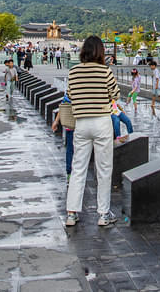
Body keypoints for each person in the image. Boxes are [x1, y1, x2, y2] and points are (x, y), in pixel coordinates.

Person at [64, 35, 119, 228]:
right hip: (102, 122)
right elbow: (116, 94)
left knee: (78, 167)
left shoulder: (73, 72)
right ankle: (103, 213)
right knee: (103, 169)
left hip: (81, 124)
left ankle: (71, 213)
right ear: (100, 52)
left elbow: (69, 95)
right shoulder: (105, 71)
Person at [50, 92, 74, 181]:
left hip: (70, 123)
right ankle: (73, 173)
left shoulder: (71, 87)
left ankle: (69, 173)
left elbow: (63, 105)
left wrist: (56, 121)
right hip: (81, 124)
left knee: (70, 149)